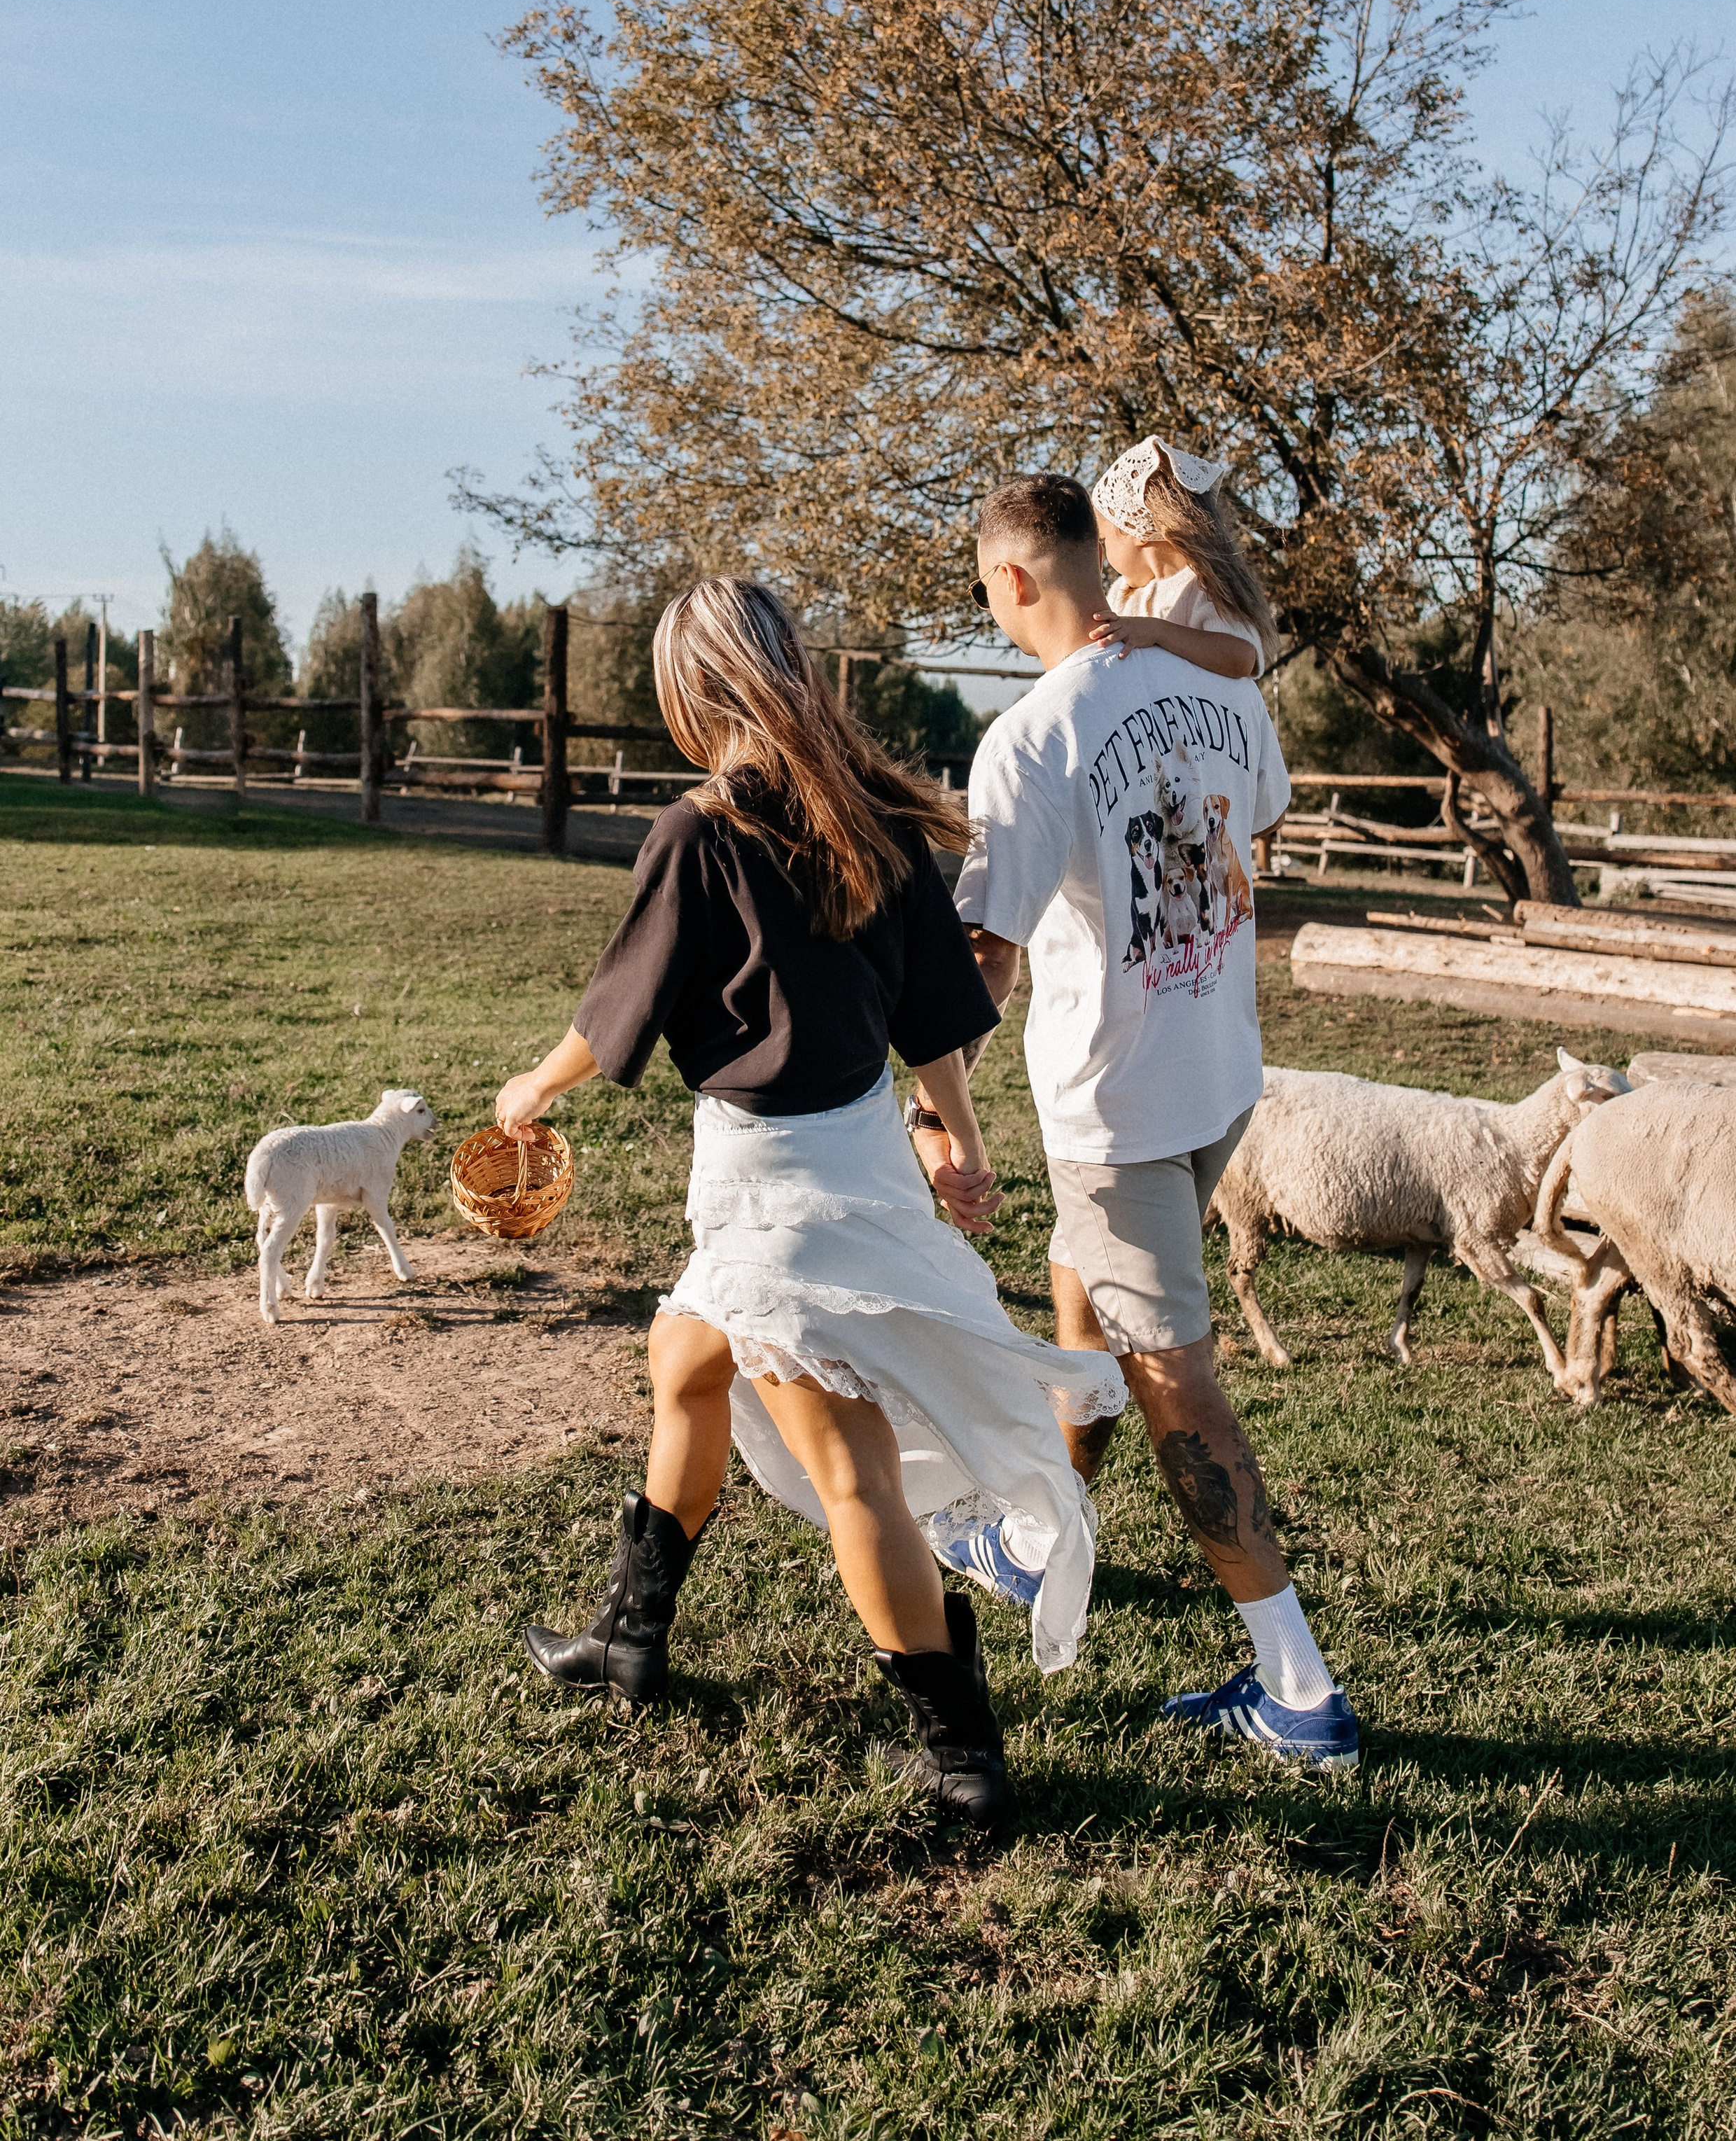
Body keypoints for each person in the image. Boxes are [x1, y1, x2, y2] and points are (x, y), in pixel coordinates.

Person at [495, 576, 1126, 1827]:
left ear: (694, 690)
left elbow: (620, 1004)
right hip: (846, 1166)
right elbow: (935, 1011)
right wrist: (953, 1138)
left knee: (852, 1469)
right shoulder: (869, 819)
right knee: (684, 1366)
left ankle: (962, 1759)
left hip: (778, 1191)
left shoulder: (703, 830)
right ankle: (630, 1633)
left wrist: (533, 1086)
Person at [914, 474, 1359, 1771]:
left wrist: (932, 1104)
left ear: (1009, 585)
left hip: (1120, 1109)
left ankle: (1300, 1691)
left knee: (1178, 1382)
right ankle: (1042, 1540)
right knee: (1087, 1302)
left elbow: (982, 959)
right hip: (1221, 1070)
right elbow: (1254, 832)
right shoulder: (1221, 676)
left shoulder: (1032, 738)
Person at [1087, 434, 1279, 684]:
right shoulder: (1122, 594)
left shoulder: (1205, 585)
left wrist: (1159, 631)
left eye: (1104, 540)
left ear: (1135, 531)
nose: (1104, 553)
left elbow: (1242, 658)